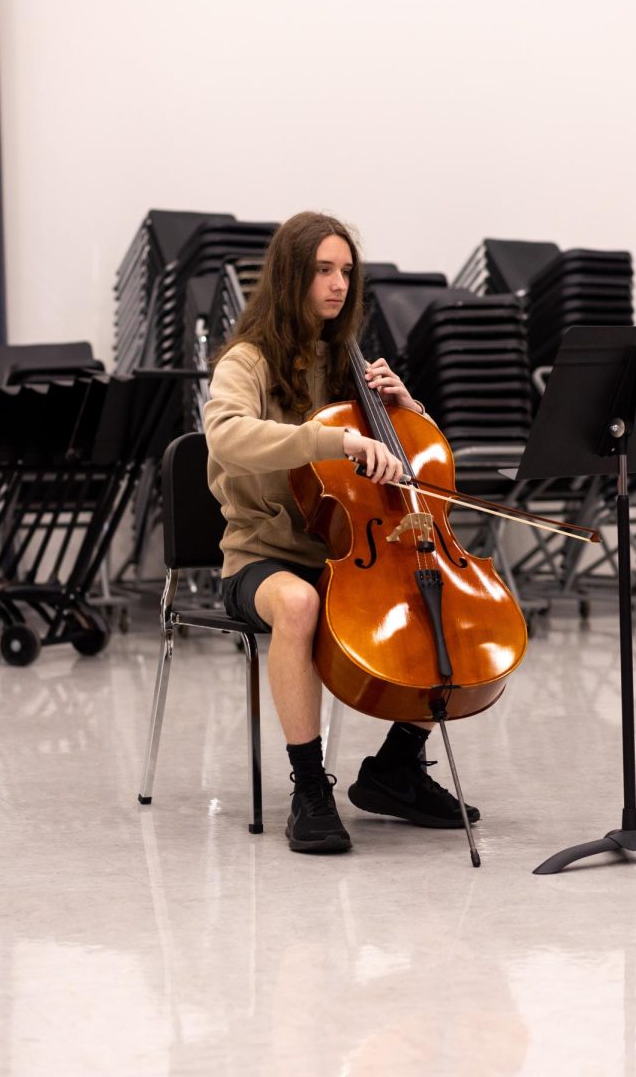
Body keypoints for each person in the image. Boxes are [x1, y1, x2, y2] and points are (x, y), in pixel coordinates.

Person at [204, 211, 479, 854]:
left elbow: (419, 469)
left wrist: (407, 411)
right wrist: (336, 437)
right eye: (323, 270)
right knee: (298, 604)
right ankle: (309, 787)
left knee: (436, 602)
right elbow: (226, 434)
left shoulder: (347, 362)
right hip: (263, 558)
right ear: (291, 275)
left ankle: (395, 770)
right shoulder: (246, 362)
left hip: (351, 553)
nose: (337, 284)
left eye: (346, 272)